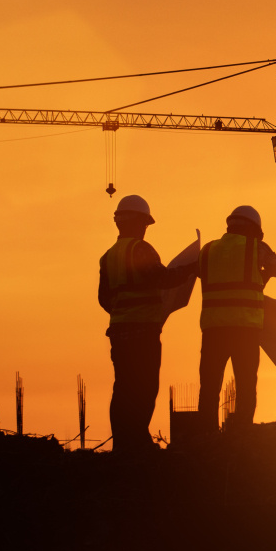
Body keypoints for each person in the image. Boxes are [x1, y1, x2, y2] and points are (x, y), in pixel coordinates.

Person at [98, 194, 193, 456]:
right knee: (145, 386)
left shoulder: (108, 257)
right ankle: (138, 442)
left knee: (123, 387)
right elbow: (162, 278)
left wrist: (123, 312)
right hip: (143, 332)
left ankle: (123, 444)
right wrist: (190, 268)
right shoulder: (141, 249)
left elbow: (104, 299)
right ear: (139, 222)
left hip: (119, 332)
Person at [196, 205, 276, 435]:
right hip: (244, 329)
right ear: (254, 230)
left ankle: (207, 434)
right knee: (246, 384)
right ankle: (242, 433)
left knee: (209, 386)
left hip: (213, 329)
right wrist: (262, 276)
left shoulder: (208, 250)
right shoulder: (256, 248)